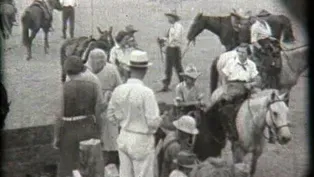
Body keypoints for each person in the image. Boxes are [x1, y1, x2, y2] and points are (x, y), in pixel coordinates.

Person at [107, 50, 164, 177]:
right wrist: (160, 120)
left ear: (130, 69)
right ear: (145, 70)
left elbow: (110, 115)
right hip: (141, 138)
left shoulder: (119, 90)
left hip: (124, 135)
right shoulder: (146, 93)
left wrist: (123, 121)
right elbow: (152, 122)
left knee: (125, 174)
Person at [54, 56, 106, 177]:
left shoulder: (64, 88)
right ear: (82, 69)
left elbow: (58, 115)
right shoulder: (93, 86)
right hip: (89, 126)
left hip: (69, 129)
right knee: (91, 167)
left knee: (68, 167)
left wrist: (56, 136)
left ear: (66, 71)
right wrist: (99, 131)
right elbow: (98, 112)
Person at [211, 43, 272, 143]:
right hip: (233, 86)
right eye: (238, 51)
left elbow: (258, 79)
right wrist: (225, 87)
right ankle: (230, 131)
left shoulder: (251, 64)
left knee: (264, 103)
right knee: (226, 106)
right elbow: (224, 76)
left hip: (248, 86)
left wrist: (252, 84)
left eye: (243, 52)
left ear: (248, 54)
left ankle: (270, 131)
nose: (240, 54)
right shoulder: (231, 63)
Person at [85, 48, 123, 168]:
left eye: (103, 61)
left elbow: (120, 87)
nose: (101, 64)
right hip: (90, 110)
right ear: (91, 60)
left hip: (108, 110)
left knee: (110, 140)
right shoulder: (85, 71)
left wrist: (112, 94)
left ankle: (111, 161)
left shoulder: (111, 69)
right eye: (98, 62)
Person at [158, 9, 184, 92]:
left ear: (173, 18)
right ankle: (166, 85)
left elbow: (176, 38)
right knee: (168, 67)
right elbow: (168, 37)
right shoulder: (171, 27)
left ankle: (183, 83)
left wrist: (166, 40)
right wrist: (162, 39)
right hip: (170, 49)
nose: (168, 19)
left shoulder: (178, 26)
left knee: (178, 67)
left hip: (175, 49)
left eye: (169, 17)